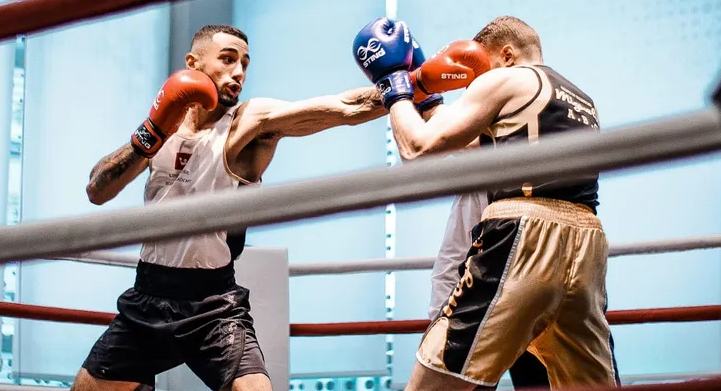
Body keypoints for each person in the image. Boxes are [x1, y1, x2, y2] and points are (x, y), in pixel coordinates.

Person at [71, 23, 477, 391]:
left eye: (245, 63)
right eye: (228, 59)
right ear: (193, 63)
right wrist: (152, 130)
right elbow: (97, 190)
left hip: (213, 307)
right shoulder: (165, 123)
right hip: (147, 297)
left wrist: (413, 83)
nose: (239, 72)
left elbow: (343, 107)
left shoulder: (250, 120)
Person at [352, 16, 617, 390]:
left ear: (507, 55)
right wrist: (428, 97)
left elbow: (418, 147)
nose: (476, 82)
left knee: (435, 377)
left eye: (482, 68)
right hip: (588, 244)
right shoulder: (578, 99)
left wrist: (395, 84)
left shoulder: (505, 79)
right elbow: (468, 142)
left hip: (525, 235)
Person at [429, 191, 551, 391]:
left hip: (543, 310)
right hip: (487, 310)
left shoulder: (569, 182)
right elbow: (452, 259)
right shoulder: (483, 182)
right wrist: (442, 334)